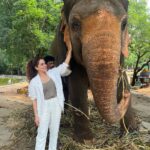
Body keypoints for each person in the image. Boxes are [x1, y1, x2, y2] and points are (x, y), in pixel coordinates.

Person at [26, 48, 72, 150]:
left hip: (56, 105)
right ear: (36, 67)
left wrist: (69, 52)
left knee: (54, 133)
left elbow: (64, 65)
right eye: (42, 64)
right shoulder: (34, 82)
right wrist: (36, 116)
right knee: (42, 133)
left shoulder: (54, 72)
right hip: (44, 108)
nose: (45, 65)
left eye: (44, 64)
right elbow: (34, 100)